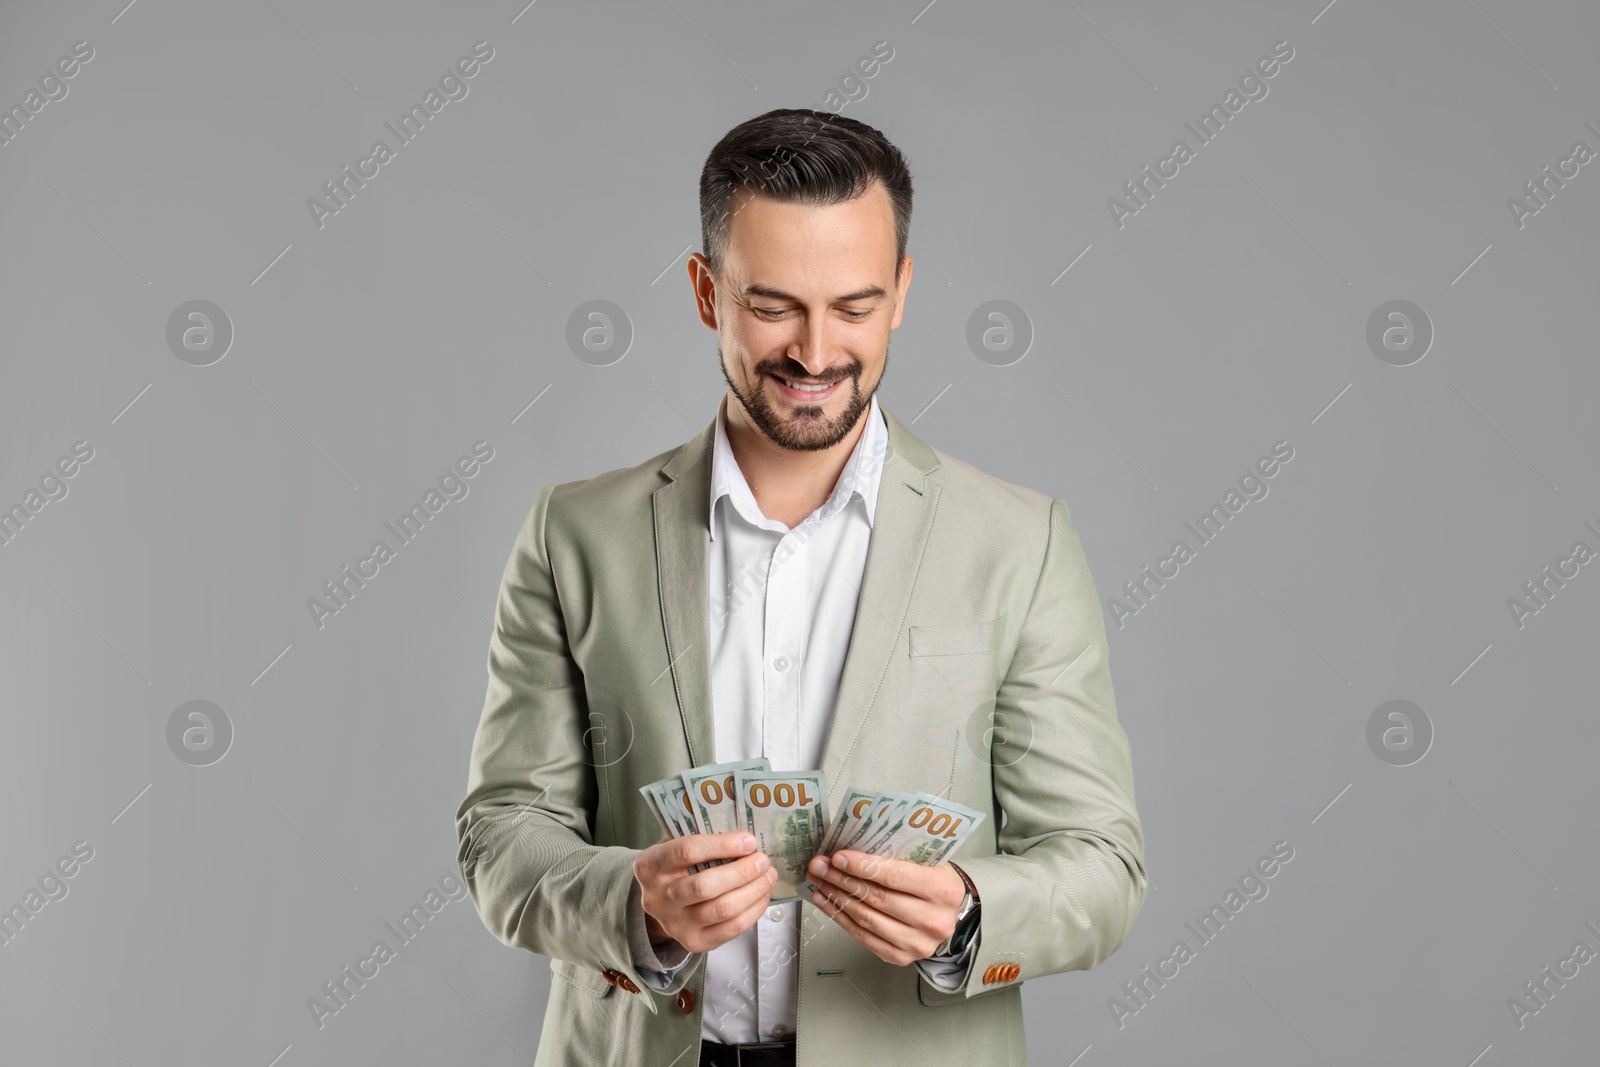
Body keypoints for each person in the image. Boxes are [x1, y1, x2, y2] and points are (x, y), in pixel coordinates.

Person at [455, 107, 1147, 1067]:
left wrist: (970, 912)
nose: (817, 353)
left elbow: (1103, 867)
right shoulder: (574, 535)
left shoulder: (1019, 543)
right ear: (706, 291)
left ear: (903, 292)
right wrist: (634, 902)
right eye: (774, 305)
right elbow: (501, 833)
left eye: (855, 307)